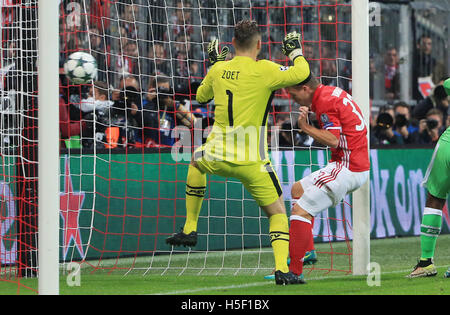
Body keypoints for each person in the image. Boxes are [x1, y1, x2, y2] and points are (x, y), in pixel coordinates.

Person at [165, 19, 311, 285]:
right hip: (253, 160)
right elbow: (302, 73)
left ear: (231, 44)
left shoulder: (220, 69)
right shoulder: (265, 69)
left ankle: (190, 228)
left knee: (196, 162)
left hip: (217, 153)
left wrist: (215, 65)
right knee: (277, 213)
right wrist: (294, 51)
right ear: (259, 44)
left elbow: (200, 97)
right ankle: (282, 270)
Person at [285, 76, 370, 281]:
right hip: (349, 162)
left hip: (348, 167)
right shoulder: (330, 93)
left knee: (300, 210)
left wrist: (305, 127)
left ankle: (294, 272)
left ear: (305, 89)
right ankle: (308, 252)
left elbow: (333, 140)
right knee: (297, 190)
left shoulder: (324, 101)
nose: (292, 99)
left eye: (293, 94)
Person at [407, 77, 450, 278]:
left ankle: (426, 262)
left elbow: (445, 84)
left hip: (447, 144)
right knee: (434, 198)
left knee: (435, 198)